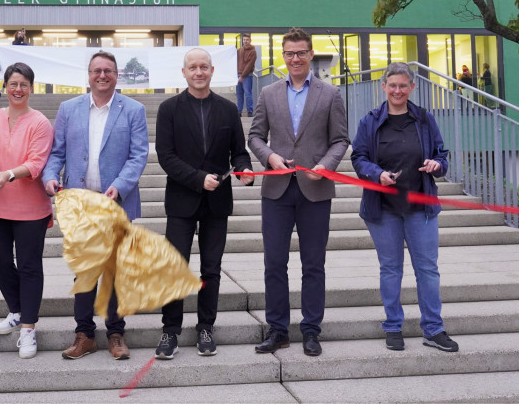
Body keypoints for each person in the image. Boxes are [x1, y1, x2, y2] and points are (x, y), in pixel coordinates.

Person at [248, 27, 349, 357]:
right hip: (277, 190)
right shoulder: (268, 94)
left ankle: (310, 330)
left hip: (315, 191)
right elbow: (255, 137)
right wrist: (270, 157)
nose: (295, 58)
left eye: (301, 52)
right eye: (289, 53)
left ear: (310, 54)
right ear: (283, 56)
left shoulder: (330, 94)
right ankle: (278, 329)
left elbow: (340, 140)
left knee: (313, 264)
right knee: (274, 263)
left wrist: (326, 164)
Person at [43, 50, 149, 361]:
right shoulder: (68, 109)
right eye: (96, 70)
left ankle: (116, 333)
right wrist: (50, 177)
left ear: (117, 75)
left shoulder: (133, 109)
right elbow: (57, 154)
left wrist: (121, 185)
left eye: (108, 70)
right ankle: (84, 335)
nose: (102, 75)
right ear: (88, 75)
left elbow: (138, 154)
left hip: (116, 202)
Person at [351, 62, 459, 353]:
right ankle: (393, 327)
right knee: (390, 269)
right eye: (392, 85)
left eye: (403, 85)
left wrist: (437, 164)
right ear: (383, 87)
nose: (397, 90)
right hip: (382, 208)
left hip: (420, 209)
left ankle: (433, 329)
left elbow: (442, 155)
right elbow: (358, 158)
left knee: (427, 269)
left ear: (412, 88)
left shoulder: (424, 119)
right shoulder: (370, 121)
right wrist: (377, 174)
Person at [154, 48, 254, 360]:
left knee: (211, 269)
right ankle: (170, 330)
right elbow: (166, 157)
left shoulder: (227, 109)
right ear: (184, 72)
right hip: (182, 201)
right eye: (193, 67)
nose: (199, 72)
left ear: (212, 71)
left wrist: (244, 169)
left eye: (204, 67)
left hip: (217, 203)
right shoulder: (168, 109)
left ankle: (206, 327)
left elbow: (239, 151)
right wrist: (198, 179)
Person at [0, 62, 54, 359]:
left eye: (23, 84)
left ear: (31, 87)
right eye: (13, 84)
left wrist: (7, 175)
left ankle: (28, 328)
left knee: (29, 266)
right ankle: (17, 310)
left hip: (31, 209)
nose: (18, 89)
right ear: (5, 86)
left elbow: (36, 163)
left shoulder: (40, 123)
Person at [236, 33, 257, 117]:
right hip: (238, 75)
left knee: (248, 94)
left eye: (247, 40)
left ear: (250, 40)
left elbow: (249, 65)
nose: (245, 41)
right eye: (244, 40)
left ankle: (250, 111)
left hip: (247, 76)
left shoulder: (253, 51)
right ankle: (239, 111)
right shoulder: (239, 50)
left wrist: (242, 76)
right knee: (239, 94)